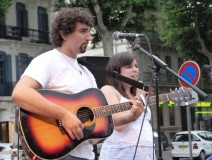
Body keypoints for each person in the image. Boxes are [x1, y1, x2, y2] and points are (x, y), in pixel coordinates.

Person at [12, 8, 144, 160]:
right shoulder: (48, 61)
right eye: (83, 31)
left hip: (85, 154)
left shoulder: (87, 73)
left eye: (89, 31)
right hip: (60, 153)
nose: (88, 37)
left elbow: (99, 117)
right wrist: (63, 114)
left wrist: (130, 117)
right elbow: (20, 93)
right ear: (64, 34)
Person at [99, 52, 156, 160]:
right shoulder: (109, 90)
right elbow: (118, 125)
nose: (135, 70)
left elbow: (144, 128)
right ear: (116, 71)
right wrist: (139, 99)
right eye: (129, 66)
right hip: (120, 154)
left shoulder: (137, 94)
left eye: (136, 66)